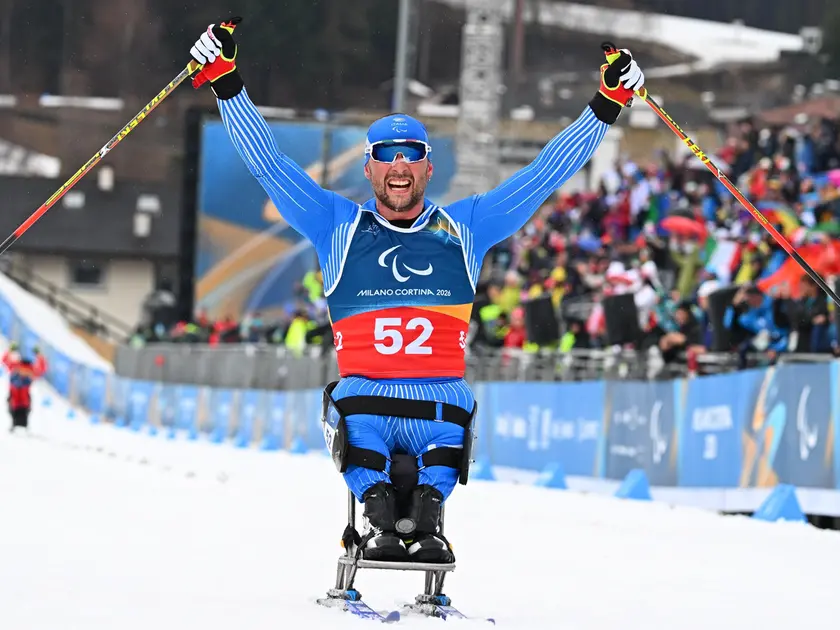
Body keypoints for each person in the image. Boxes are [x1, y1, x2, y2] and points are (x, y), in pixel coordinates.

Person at [189, 19, 645, 563]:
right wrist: (226, 84)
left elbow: (543, 175)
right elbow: (269, 164)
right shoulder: (338, 225)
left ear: (429, 167)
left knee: (433, 439)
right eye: (386, 154)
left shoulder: (465, 227)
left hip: (437, 404)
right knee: (359, 429)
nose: (399, 164)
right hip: (370, 404)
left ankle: (424, 514)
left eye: (410, 154)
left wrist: (607, 104)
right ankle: (382, 511)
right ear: (368, 168)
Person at [8, 357, 35, 432]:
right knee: (15, 412)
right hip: (17, 398)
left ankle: (23, 426)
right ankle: (15, 425)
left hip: (22, 399)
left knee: (22, 412)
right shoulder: (16, 373)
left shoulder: (27, 375)